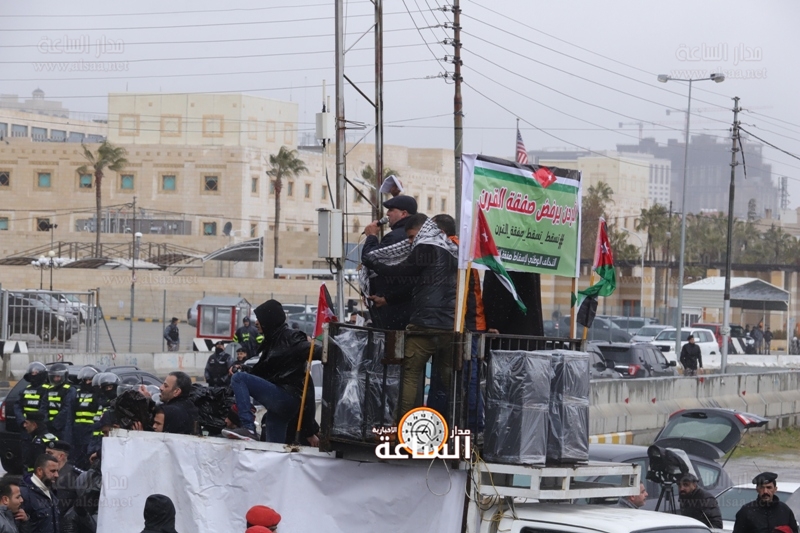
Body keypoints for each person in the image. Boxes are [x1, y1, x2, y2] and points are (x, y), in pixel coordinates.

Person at [362, 215, 458, 419]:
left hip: (425, 324)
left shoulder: (427, 246)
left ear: (423, 231)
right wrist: (389, 299)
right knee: (451, 381)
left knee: (410, 375)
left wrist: (373, 262)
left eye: (412, 237)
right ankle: (458, 425)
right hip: (451, 326)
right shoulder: (452, 251)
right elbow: (416, 283)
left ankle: (402, 425)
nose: (411, 243)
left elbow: (400, 272)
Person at [230, 300, 315, 442]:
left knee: (239, 379)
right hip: (283, 404)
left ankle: (248, 428)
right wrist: (243, 368)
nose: (256, 323)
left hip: (285, 397)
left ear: (269, 320)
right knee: (273, 447)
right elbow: (263, 372)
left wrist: (317, 347)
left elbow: (314, 352)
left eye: (260, 319)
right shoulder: (271, 341)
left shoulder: (290, 338)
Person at [361, 195, 418, 330]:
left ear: (403, 213)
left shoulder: (396, 236)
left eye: (391, 210)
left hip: (393, 307)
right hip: (400, 302)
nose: (387, 214)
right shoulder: (405, 234)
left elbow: (369, 258)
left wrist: (371, 237)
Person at [733, 472, 798, 533]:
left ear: (775, 489)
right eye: (762, 488)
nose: (765, 491)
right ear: (757, 489)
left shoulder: (785, 510)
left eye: (769, 487)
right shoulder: (746, 512)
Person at [19, 454, 60, 533]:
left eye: (57, 471)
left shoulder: (51, 491)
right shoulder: (24, 493)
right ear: (39, 471)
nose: (57, 475)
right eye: (52, 471)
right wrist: (26, 521)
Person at [71, 367, 99, 470]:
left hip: (90, 430)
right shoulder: (77, 393)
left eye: (90, 380)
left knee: (87, 456)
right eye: (86, 380)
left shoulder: (97, 394)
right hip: (78, 430)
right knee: (77, 456)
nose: (88, 382)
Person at [44, 363, 75, 445]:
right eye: (54, 377)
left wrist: (55, 423)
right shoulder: (49, 390)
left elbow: (67, 409)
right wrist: (46, 422)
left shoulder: (70, 390)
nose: (56, 379)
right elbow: (43, 406)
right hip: (48, 427)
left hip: (63, 428)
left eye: (58, 376)